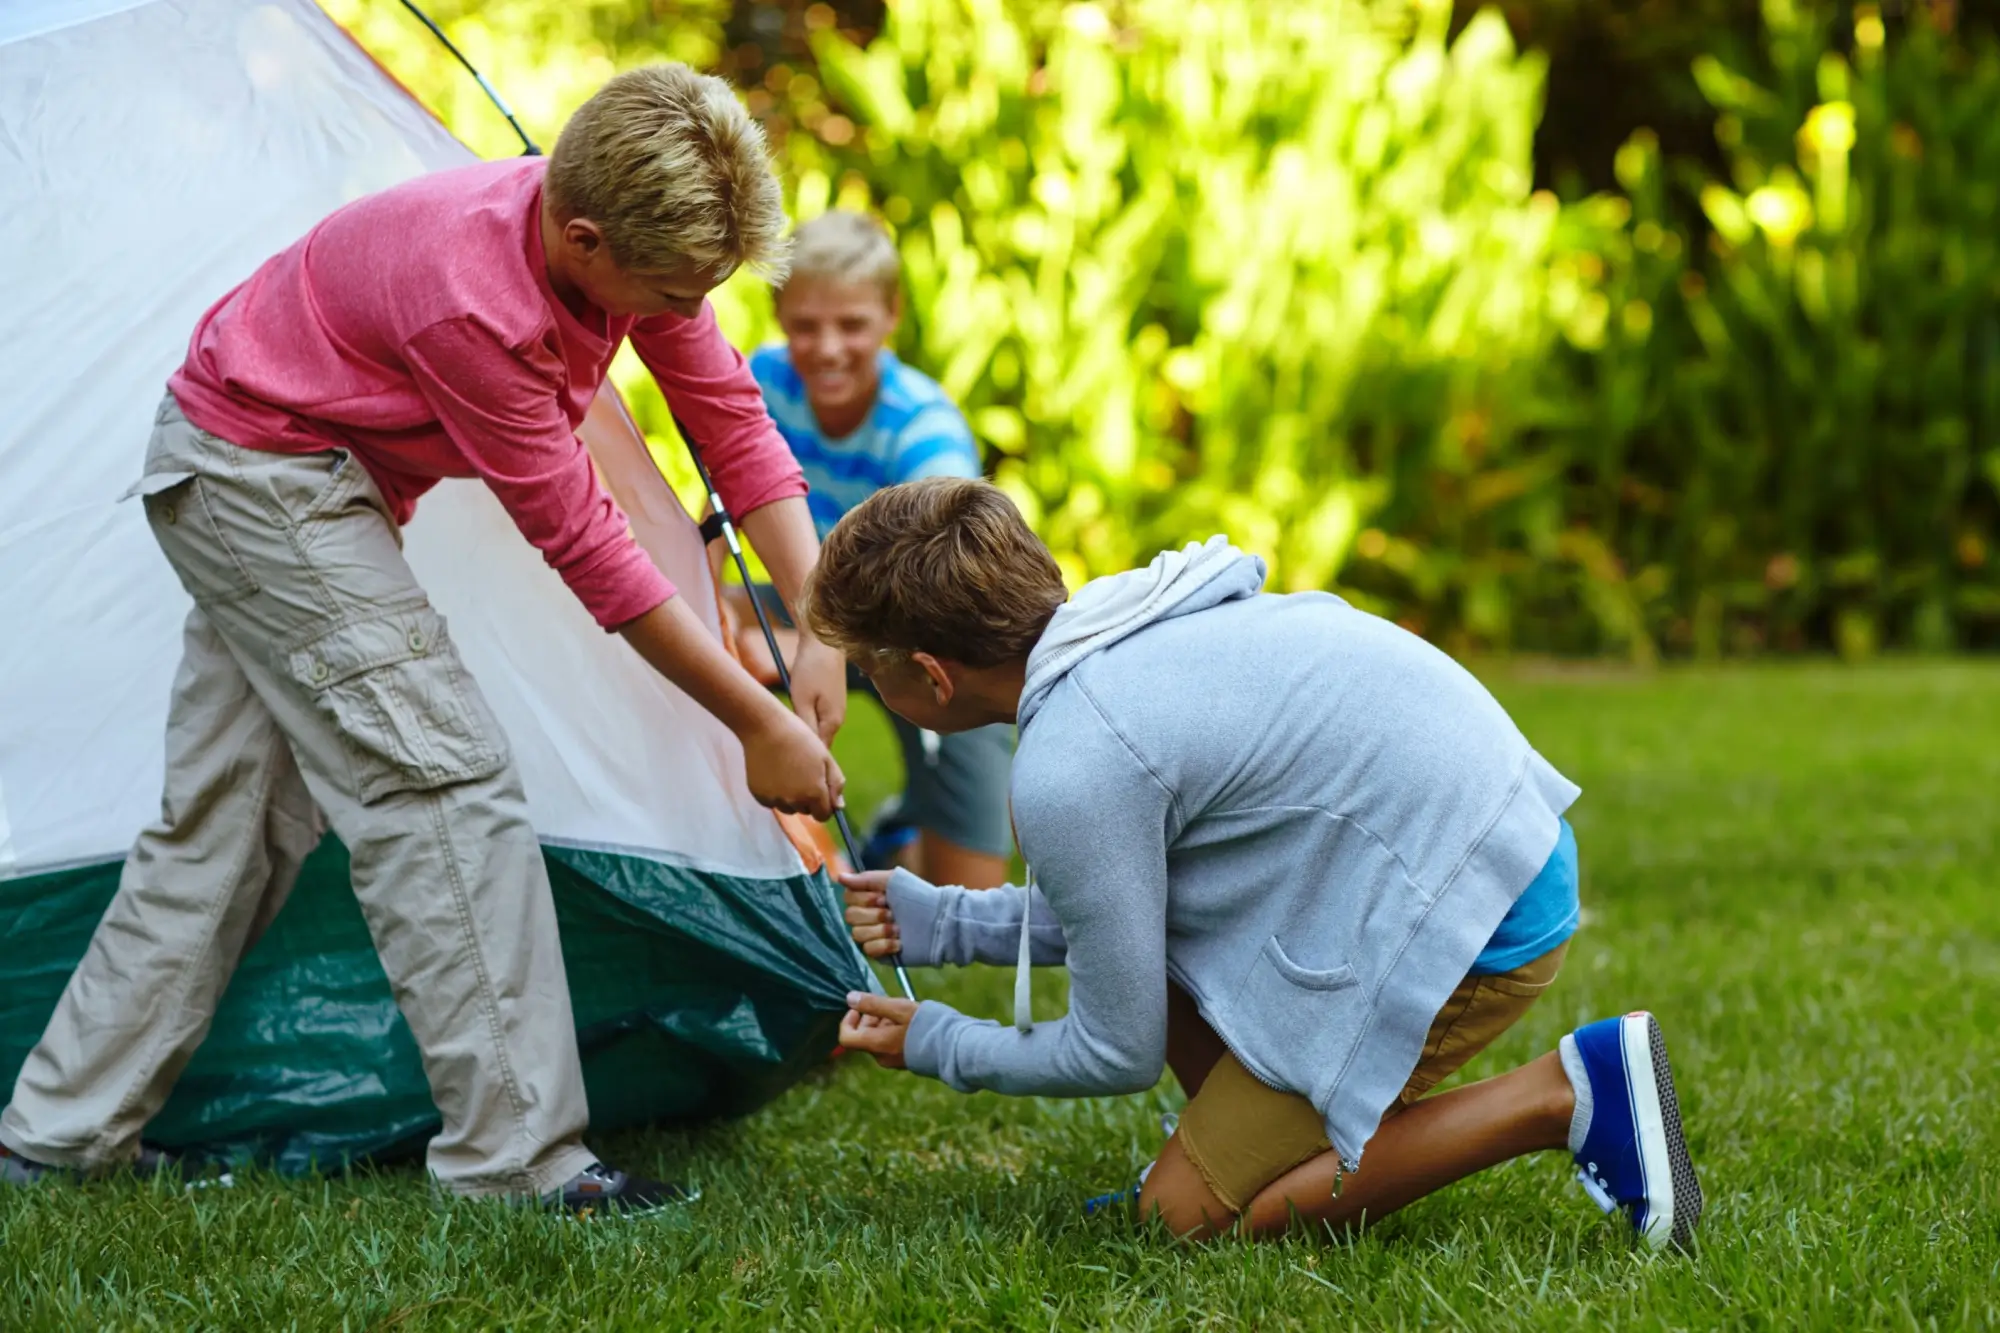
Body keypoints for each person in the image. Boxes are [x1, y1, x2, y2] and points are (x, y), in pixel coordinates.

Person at [0, 65, 847, 1216]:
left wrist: (823, 623)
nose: (679, 308)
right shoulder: (472, 299)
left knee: (230, 825)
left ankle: (57, 1137)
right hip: (257, 480)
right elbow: (586, 544)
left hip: (266, 469)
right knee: (441, 779)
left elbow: (726, 418)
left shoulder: (623, 244)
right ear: (584, 236)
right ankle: (517, 1159)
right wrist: (752, 719)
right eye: (667, 289)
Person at [813, 478, 1704, 1249]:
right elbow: (1120, 914)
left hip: (1477, 911)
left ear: (931, 677)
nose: (864, 690)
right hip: (1478, 844)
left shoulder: (1073, 765)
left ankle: (1568, 1092)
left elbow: (1114, 1050)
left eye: (864, 672)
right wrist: (948, 922)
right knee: (1183, 1039)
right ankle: (1251, 1138)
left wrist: (935, 1040)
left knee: (1181, 1218)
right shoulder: (1116, 629)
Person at [720, 210, 1015, 889]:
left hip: (932, 635)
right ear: (779, 316)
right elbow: (713, 515)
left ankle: (903, 835)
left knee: (968, 898)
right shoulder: (764, 382)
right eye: (804, 325)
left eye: (851, 324)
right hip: (812, 602)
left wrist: (801, 639)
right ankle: (771, 843)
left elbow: (937, 595)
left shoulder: (922, 430)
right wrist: (739, 625)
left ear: (891, 316)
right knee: (714, 621)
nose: (826, 348)